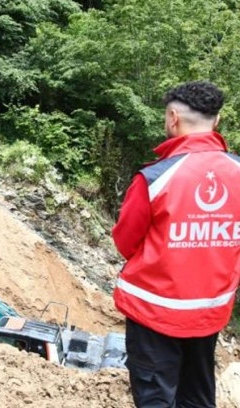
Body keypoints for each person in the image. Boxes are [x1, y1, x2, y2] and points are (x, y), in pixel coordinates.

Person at [112, 81, 240, 408]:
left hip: (153, 312)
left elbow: (126, 242)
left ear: (172, 118)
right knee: (196, 397)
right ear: (218, 120)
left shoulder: (156, 178)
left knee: (156, 398)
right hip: (209, 311)